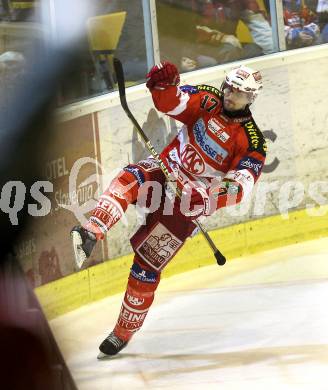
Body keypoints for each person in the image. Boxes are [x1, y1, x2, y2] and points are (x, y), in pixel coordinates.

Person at [71, 61, 267, 358]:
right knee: (131, 178)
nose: (230, 95)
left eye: (239, 93)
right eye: (229, 87)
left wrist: (206, 197)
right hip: (165, 171)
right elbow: (173, 104)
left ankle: (123, 332)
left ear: (251, 98)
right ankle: (90, 232)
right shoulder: (208, 99)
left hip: (188, 202)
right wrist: (165, 86)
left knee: (145, 268)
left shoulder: (252, 141)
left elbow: (239, 187)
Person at [156, 0, 273, 72]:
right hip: (194, 46)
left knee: (255, 50)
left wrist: (275, 56)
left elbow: (260, 28)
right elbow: (183, 29)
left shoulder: (242, 2)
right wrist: (221, 37)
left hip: (228, 46)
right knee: (227, 53)